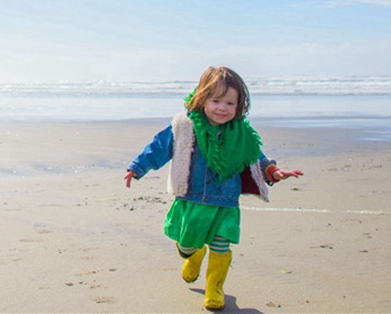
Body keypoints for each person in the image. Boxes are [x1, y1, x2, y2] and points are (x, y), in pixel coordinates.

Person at [125, 66, 303, 310]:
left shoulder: (241, 132)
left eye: (230, 103)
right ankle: (193, 255)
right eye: (216, 100)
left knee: (221, 244)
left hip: (226, 202)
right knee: (187, 245)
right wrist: (137, 167)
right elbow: (160, 146)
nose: (223, 108)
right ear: (202, 98)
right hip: (193, 199)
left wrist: (273, 171)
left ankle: (215, 287)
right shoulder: (186, 125)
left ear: (239, 105)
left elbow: (255, 157)